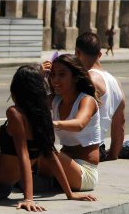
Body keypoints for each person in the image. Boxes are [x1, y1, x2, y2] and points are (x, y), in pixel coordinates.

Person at [0, 65, 97, 212]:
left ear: (17, 89)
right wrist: (69, 193)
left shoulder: (15, 113)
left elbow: (23, 154)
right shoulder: (42, 116)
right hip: (3, 187)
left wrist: (28, 199)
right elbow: (51, 156)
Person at [41, 54, 101, 192]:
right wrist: (40, 76)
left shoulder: (86, 100)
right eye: (53, 75)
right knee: (31, 150)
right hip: (63, 164)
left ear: (75, 77)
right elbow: (29, 102)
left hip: (84, 173)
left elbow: (79, 124)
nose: (55, 80)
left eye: (62, 75)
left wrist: (54, 124)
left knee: (47, 151)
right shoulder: (55, 100)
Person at [75, 32, 125, 161]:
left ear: (77, 53)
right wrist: (113, 154)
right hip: (99, 149)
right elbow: (120, 124)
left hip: (81, 150)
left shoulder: (88, 79)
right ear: (100, 54)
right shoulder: (116, 82)